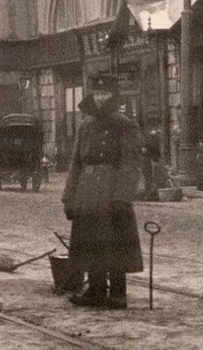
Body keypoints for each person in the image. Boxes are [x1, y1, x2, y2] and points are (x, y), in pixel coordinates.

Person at [62, 73, 144, 309]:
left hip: (111, 190)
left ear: (113, 95)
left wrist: (122, 197)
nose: (100, 98)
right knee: (90, 241)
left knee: (116, 241)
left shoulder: (124, 124)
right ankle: (96, 290)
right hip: (88, 190)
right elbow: (76, 163)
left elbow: (131, 164)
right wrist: (69, 197)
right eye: (97, 93)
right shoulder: (86, 124)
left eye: (105, 93)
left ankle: (118, 293)